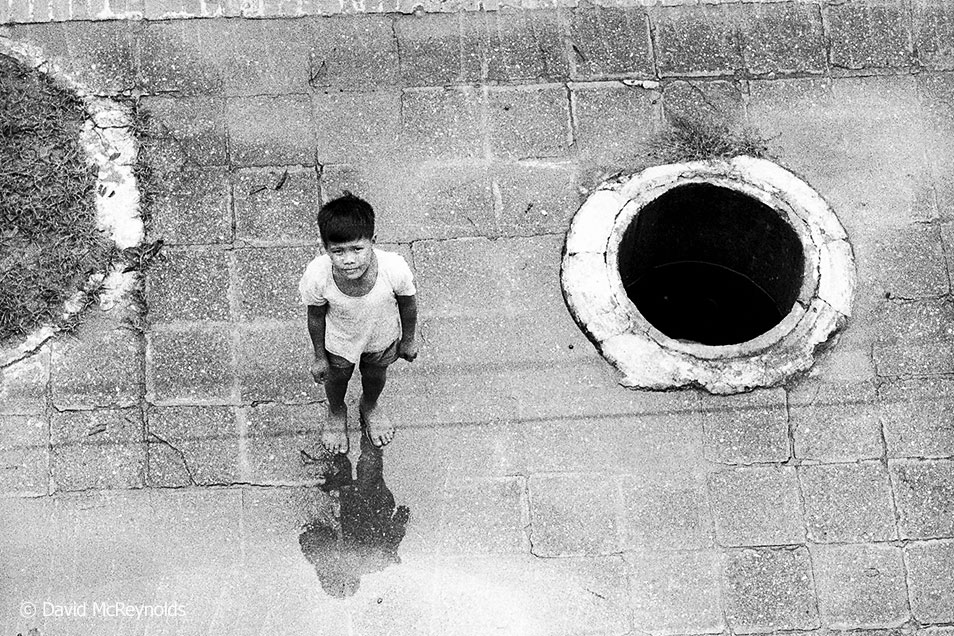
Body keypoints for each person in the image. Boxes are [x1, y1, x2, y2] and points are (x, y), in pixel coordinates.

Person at [299, 192, 418, 453]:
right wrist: (319, 356)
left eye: (357, 249)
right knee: (336, 380)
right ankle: (336, 410)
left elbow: (408, 303)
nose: (349, 259)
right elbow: (315, 315)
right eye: (338, 251)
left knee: (375, 376)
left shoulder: (394, 268)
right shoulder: (318, 275)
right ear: (324, 247)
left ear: (373, 241)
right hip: (340, 343)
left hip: (381, 338)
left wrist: (408, 339)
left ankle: (370, 404)